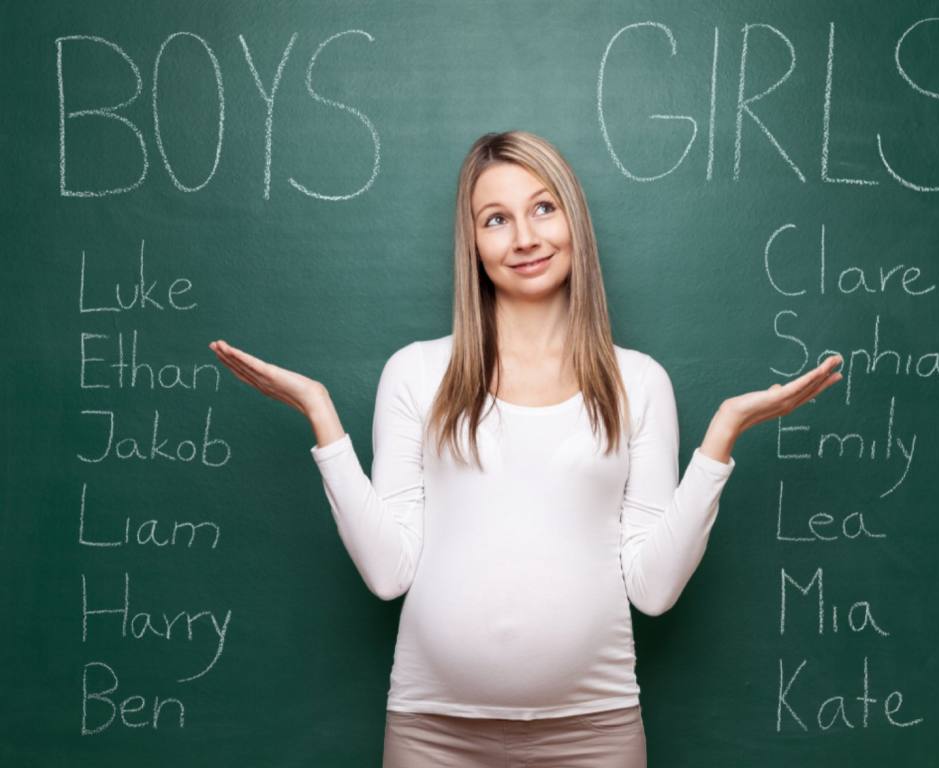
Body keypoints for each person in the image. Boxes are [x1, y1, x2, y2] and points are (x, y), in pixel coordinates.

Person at [209, 130, 842, 767]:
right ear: (473, 244)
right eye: (496, 219)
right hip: (434, 733)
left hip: (596, 732)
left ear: (574, 220)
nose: (525, 238)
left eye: (543, 208)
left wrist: (720, 440)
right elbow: (387, 572)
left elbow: (653, 589)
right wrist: (322, 416)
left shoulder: (639, 382)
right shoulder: (416, 373)